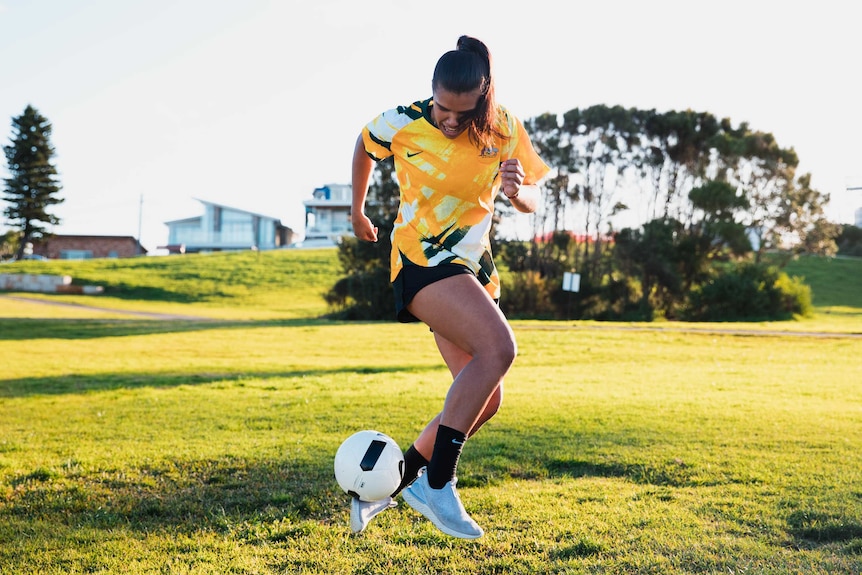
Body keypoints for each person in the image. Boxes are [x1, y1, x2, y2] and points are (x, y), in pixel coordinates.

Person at [349, 35, 550, 539]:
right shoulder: (406, 120)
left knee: (487, 397)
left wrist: (515, 191)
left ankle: (390, 489)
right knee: (499, 347)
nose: (451, 121)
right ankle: (439, 483)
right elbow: (364, 145)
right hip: (421, 257)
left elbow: (528, 201)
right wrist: (357, 208)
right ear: (431, 94)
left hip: (473, 270)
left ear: (484, 97)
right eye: (443, 108)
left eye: (464, 112)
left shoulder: (504, 127)